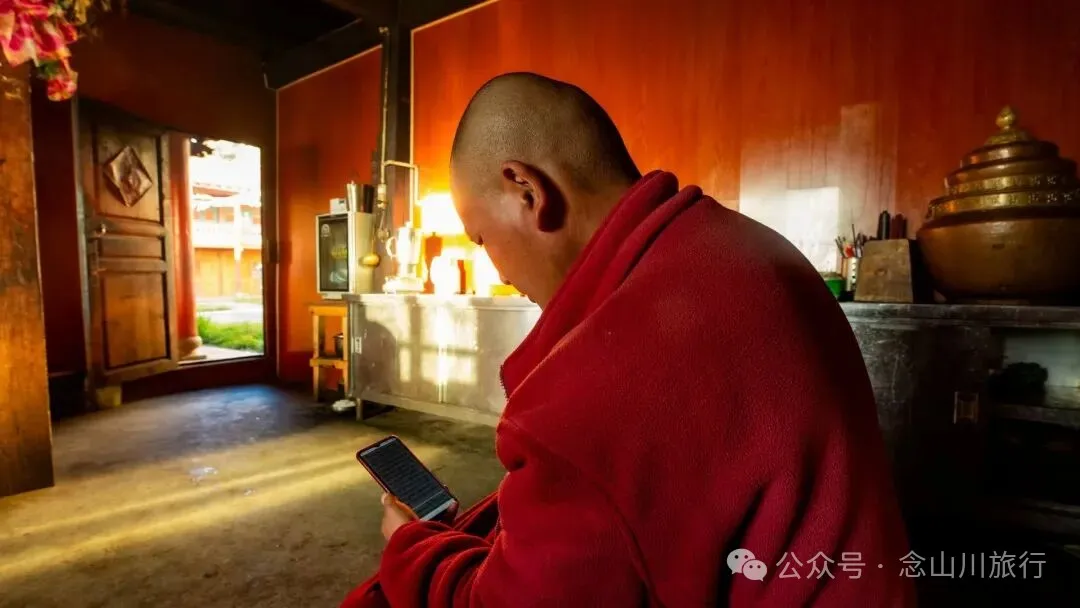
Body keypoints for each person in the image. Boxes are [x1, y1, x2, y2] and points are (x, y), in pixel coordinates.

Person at [342, 72, 914, 607]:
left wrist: (411, 547)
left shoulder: (594, 387)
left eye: (482, 237)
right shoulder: (749, 245)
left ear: (527, 190)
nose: (498, 270)